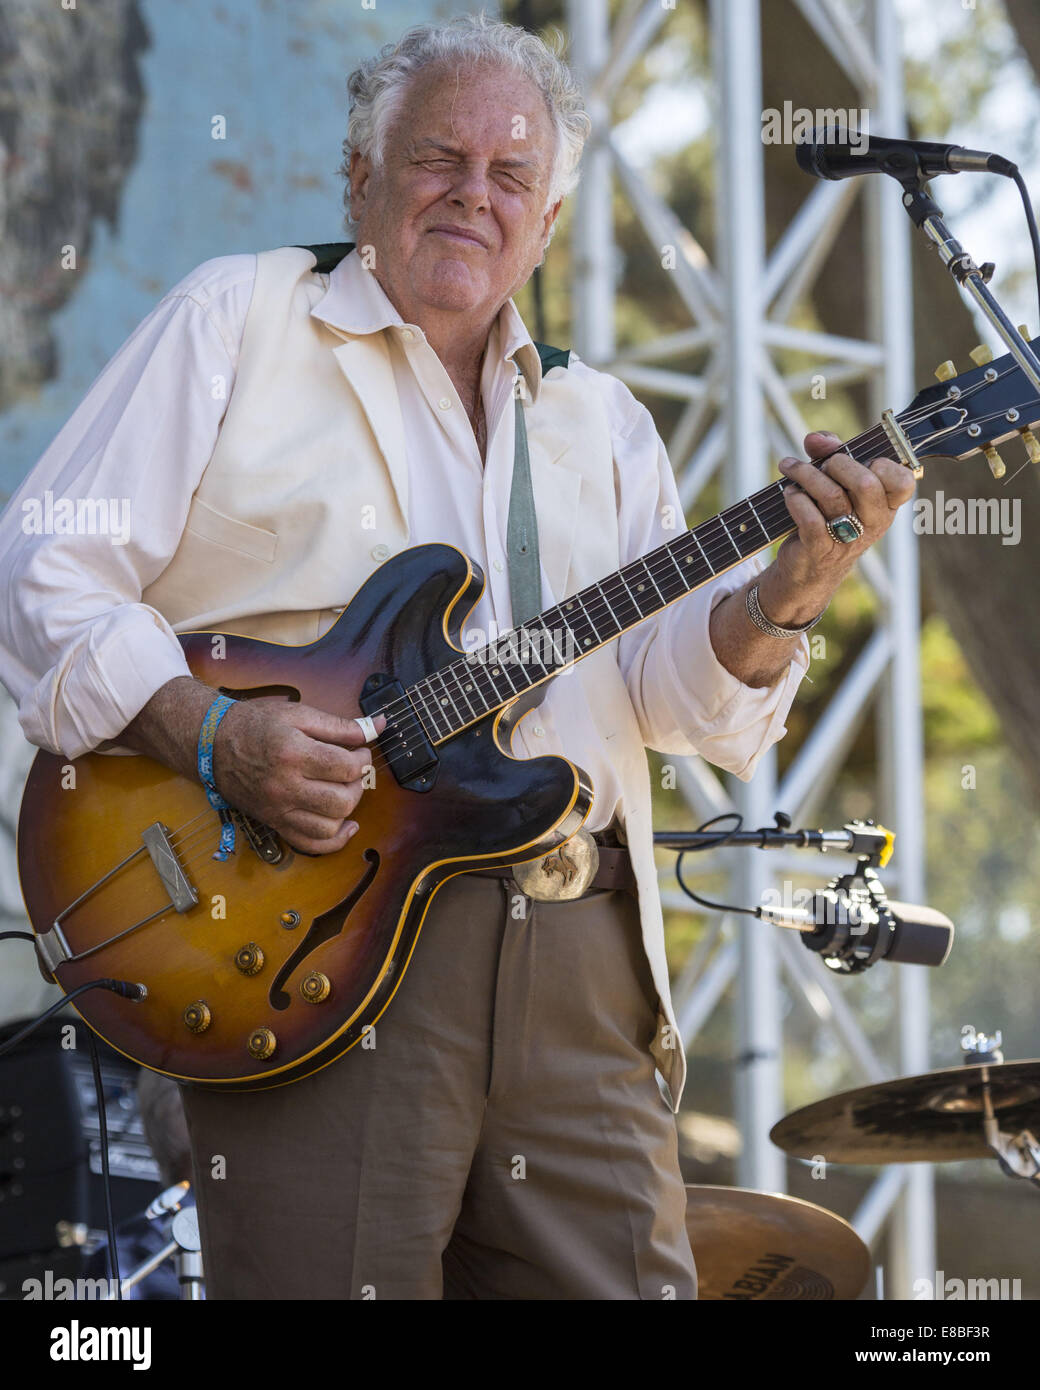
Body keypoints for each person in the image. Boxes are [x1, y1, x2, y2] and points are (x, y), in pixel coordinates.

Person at [0, 14, 915, 1299]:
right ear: (359, 176)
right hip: (318, 936)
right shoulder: (240, 318)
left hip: (579, 949)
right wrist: (209, 733)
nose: (471, 197)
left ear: (547, 224)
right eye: (436, 159)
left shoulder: (602, 422)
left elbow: (685, 707)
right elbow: (44, 566)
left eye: (511, 178)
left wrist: (794, 586)